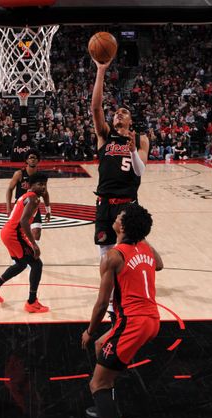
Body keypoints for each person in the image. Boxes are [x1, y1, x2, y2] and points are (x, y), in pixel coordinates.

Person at [81, 203, 163, 418]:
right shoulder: (146, 249)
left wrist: (90, 329)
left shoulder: (113, 256)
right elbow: (159, 264)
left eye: (120, 217)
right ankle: (107, 404)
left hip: (132, 324)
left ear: (123, 227)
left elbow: (102, 302)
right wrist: (140, 234)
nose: (115, 217)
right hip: (151, 320)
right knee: (100, 347)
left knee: (96, 383)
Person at [91, 56, 150, 318]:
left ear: (130, 121)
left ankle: (128, 296)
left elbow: (141, 171)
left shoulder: (140, 140)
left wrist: (131, 149)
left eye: (123, 112)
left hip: (128, 205)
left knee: (128, 254)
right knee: (106, 257)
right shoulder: (104, 135)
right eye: (116, 112)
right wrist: (101, 71)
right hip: (104, 204)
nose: (118, 114)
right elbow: (95, 109)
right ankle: (111, 303)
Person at [0, 173, 49, 313]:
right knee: (37, 264)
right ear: (31, 185)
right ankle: (32, 302)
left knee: (21, 264)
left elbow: (45, 195)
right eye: (40, 184)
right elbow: (24, 222)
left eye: (45, 184)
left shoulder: (30, 195)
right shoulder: (32, 199)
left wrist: (48, 210)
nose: (43, 187)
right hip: (14, 234)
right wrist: (34, 244)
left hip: (7, 232)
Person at [5, 150, 51, 241]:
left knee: (37, 232)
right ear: (26, 160)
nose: (33, 160)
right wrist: (8, 207)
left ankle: (33, 254)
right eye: (31, 157)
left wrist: (48, 211)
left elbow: (45, 193)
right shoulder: (19, 174)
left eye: (35, 158)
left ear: (38, 161)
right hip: (20, 206)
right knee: (15, 234)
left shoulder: (40, 176)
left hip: (33, 206)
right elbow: (9, 189)